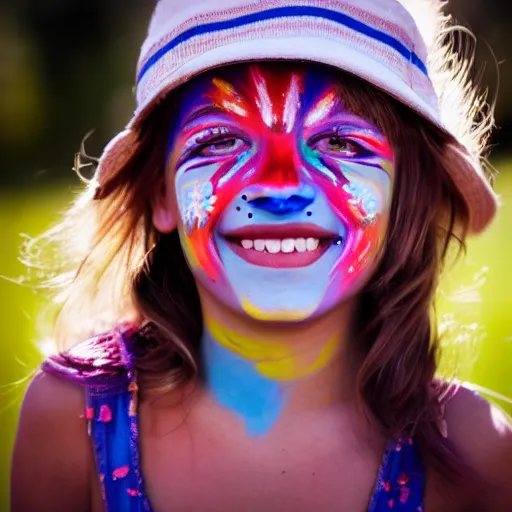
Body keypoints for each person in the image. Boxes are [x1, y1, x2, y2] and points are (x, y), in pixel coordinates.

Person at [10, 0, 512, 510]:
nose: (279, 186)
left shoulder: (475, 451)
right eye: (220, 139)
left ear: (407, 193)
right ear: (160, 193)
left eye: (341, 141)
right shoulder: (71, 419)